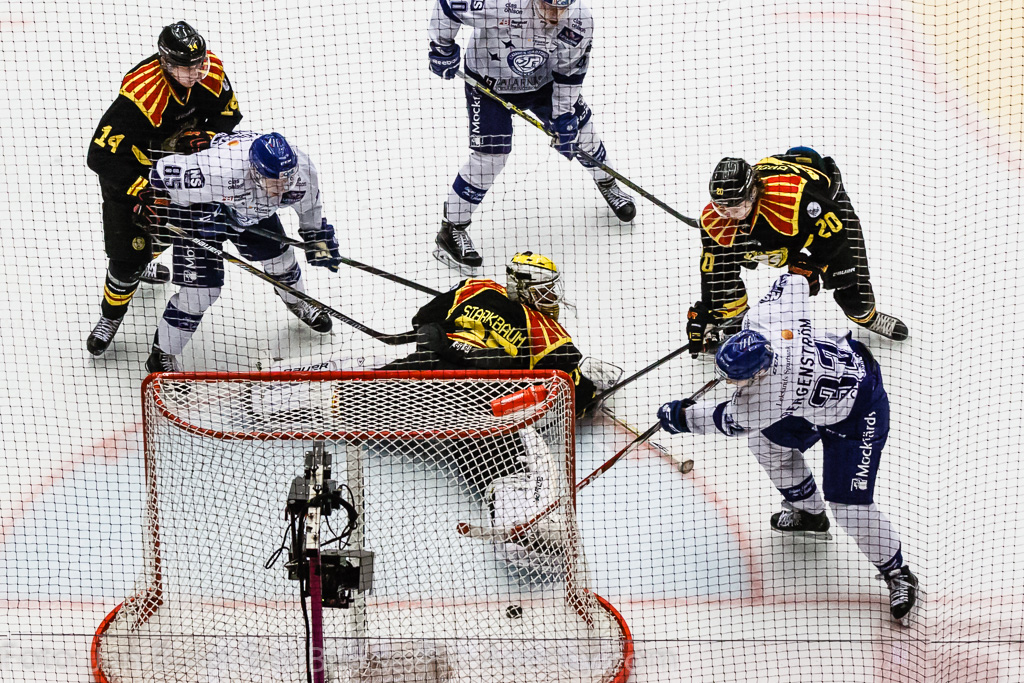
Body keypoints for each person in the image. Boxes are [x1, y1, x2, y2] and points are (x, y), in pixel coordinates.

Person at [657, 272, 919, 624]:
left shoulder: (764, 398)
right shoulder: (765, 319)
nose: (729, 384)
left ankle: (898, 572)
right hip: (828, 383)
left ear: (759, 374)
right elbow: (795, 281)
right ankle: (809, 512)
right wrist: (802, 275)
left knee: (848, 506)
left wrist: (680, 416)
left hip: (859, 411)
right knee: (765, 441)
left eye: (735, 379)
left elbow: (722, 420)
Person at [384, 251, 600, 567]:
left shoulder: (476, 287)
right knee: (503, 456)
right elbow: (577, 394)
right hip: (477, 398)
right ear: (522, 287)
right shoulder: (547, 332)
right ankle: (523, 534)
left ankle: (331, 400)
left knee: (377, 388)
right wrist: (592, 392)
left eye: (552, 289)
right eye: (545, 290)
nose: (552, 298)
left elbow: (424, 322)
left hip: (443, 383)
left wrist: (451, 346)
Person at [427, 0, 636, 272]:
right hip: (488, 86)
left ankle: (608, 183)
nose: (554, 14)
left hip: (543, 85)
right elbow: (449, 6)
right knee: (490, 159)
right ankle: (451, 229)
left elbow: (570, 73)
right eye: (548, 4)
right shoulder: (500, 3)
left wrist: (563, 117)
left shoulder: (580, 20)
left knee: (582, 133)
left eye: (562, 7)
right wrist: (442, 48)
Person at [86, 21, 244, 356]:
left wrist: (210, 136)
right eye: (189, 67)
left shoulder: (211, 70)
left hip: (179, 174)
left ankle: (146, 260)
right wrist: (142, 190)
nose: (199, 71)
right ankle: (111, 316)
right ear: (166, 64)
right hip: (133, 177)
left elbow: (229, 115)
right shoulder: (141, 95)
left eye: (200, 62)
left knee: (167, 233)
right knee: (126, 260)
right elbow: (99, 155)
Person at [135, 130, 342, 373]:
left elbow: (310, 211)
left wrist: (317, 239)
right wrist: (154, 199)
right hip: (202, 214)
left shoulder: (302, 173)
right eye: (275, 182)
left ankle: (298, 303)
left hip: (250, 213)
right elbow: (161, 173)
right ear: (254, 172)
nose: (283, 188)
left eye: (288, 179)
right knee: (201, 294)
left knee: (282, 262)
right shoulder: (217, 170)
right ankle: (162, 354)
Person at [686, 146, 908, 359]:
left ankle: (867, 317)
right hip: (782, 217)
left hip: (826, 204)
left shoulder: (794, 198)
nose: (730, 215)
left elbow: (835, 239)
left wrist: (814, 266)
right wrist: (711, 312)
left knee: (851, 290)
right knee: (732, 258)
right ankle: (734, 324)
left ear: (753, 193)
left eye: (736, 206)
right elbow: (716, 271)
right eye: (722, 207)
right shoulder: (716, 220)